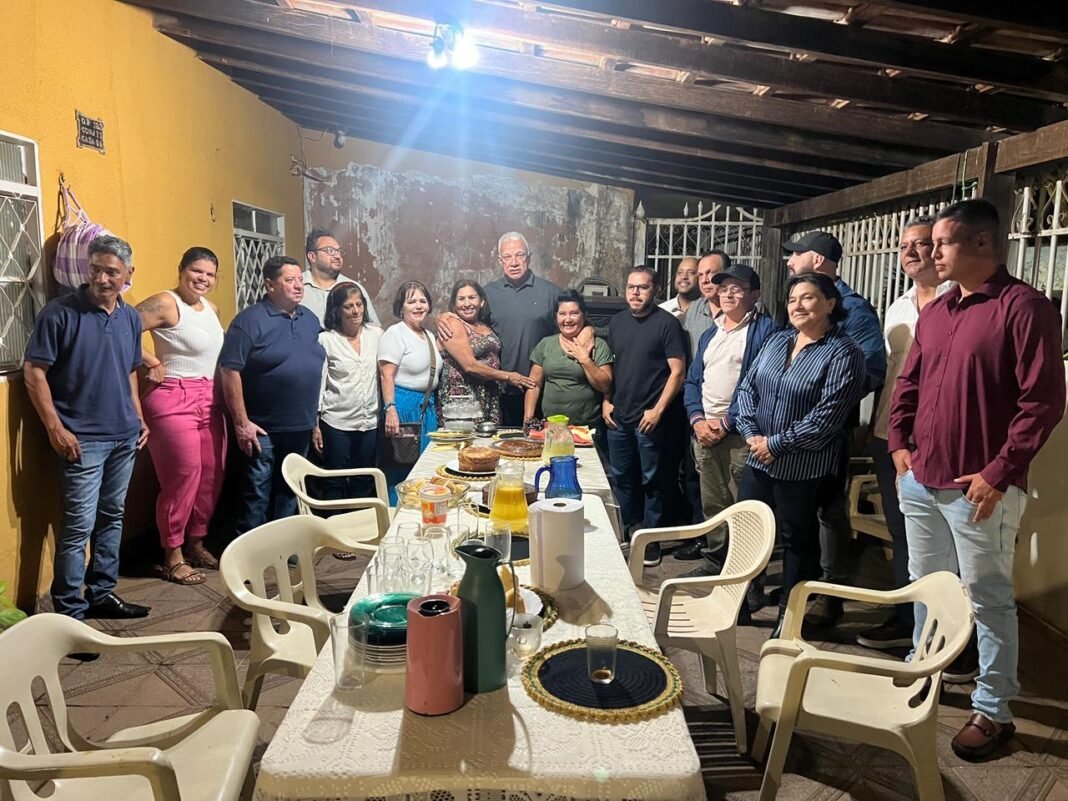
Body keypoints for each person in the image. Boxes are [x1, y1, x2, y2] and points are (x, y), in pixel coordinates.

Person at [889, 199, 1065, 761]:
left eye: (942, 243)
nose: (931, 252)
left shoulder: (1024, 308)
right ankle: (925, 667)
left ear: (983, 243)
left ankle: (993, 708)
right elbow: (909, 384)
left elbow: (1043, 402)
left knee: (988, 598)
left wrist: (998, 472)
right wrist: (899, 443)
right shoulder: (939, 310)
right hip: (921, 477)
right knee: (925, 584)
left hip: (979, 489)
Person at [23, 235, 151, 622]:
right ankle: (70, 612)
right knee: (78, 527)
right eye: (94, 269)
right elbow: (34, 372)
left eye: (111, 271)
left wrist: (138, 415)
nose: (101, 278)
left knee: (112, 517)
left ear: (128, 273)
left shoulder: (130, 318)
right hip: (82, 439)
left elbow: (129, 369)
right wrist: (55, 429)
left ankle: (102, 593)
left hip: (124, 436)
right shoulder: (60, 313)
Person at [734, 273, 866, 637]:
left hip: (802, 468)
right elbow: (746, 390)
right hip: (758, 458)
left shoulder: (844, 353)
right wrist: (752, 434)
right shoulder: (777, 341)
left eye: (808, 298)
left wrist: (775, 444)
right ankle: (738, 606)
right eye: (793, 299)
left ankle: (787, 621)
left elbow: (826, 419)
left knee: (797, 542)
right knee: (747, 533)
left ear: (830, 303)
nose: (798, 305)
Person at [856, 217, 952, 650]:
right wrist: (875, 423)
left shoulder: (957, 300)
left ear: (940, 247)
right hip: (889, 435)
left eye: (921, 243)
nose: (911, 252)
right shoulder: (898, 306)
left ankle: (947, 634)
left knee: (942, 542)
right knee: (900, 532)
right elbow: (891, 373)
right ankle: (906, 618)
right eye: (903, 246)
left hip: (935, 438)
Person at [783, 231, 886, 627]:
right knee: (797, 512)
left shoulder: (854, 310)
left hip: (827, 429)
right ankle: (801, 587)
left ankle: (830, 593)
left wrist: (823, 399)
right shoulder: (796, 302)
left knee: (828, 508)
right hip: (788, 429)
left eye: (797, 255)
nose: (790, 261)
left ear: (819, 260)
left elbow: (870, 369)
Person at [137, 247, 227, 585]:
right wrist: (150, 361)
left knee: (211, 476)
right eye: (196, 271)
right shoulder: (165, 302)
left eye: (209, 274)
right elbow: (120, 327)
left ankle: (196, 544)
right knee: (183, 477)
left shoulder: (211, 309)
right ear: (181, 270)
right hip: (173, 398)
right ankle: (172, 556)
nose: (202, 278)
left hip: (210, 398)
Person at [678, 264, 777, 570]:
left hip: (740, 435)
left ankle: (746, 574)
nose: (728, 294)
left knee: (745, 508)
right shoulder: (712, 332)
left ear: (755, 295)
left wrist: (726, 421)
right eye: (723, 289)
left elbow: (760, 385)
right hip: (704, 432)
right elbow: (693, 380)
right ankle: (715, 562)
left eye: (737, 289)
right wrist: (697, 419)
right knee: (714, 503)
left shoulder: (766, 332)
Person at [220, 255, 325, 534]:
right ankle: (250, 551)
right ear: (270, 285)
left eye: (300, 280)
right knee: (257, 493)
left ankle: (284, 545)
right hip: (261, 428)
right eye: (290, 280)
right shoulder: (248, 321)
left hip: (300, 425)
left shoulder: (309, 319)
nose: (298, 286)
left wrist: (314, 421)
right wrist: (241, 423)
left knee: (291, 490)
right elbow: (229, 371)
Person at [604, 266, 688, 567]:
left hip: (649, 418)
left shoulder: (667, 324)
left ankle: (650, 539)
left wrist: (658, 410)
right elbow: (610, 367)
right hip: (619, 416)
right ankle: (631, 529)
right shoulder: (617, 323)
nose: (635, 293)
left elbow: (678, 372)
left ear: (656, 290)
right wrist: (606, 400)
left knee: (653, 480)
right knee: (622, 478)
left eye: (643, 287)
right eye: (631, 287)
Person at [481, 232, 563, 425]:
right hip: (499, 391)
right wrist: (445, 317)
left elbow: (573, 326)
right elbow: (468, 325)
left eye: (519, 255)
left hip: (540, 390)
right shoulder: (487, 294)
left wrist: (588, 332)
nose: (514, 262)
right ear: (500, 260)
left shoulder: (551, 293)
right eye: (508, 256)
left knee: (537, 441)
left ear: (529, 257)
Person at [312, 282, 383, 502]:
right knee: (335, 480)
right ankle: (334, 523)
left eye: (359, 304)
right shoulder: (326, 340)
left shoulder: (376, 335)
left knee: (364, 479)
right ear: (337, 310)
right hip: (336, 422)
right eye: (348, 306)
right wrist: (315, 424)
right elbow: (319, 383)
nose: (355, 311)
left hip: (369, 421)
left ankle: (360, 522)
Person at [436, 279, 535, 425]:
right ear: (454, 304)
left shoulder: (483, 324)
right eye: (461, 299)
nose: (467, 303)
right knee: (465, 439)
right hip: (463, 399)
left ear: (481, 302)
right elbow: (470, 366)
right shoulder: (452, 323)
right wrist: (508, 376)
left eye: (472, 297)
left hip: (488, 395)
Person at [525, 289, 614, 449]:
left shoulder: (598, 346)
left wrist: (585, 359)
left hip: (587, 429)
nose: (567, 319)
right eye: (562, 314)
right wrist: (528, 419)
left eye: (574, 313)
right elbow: (534, 385)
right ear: (556, 317)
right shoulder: (546, 344)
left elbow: (605, 386)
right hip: (551, 428)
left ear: (584, 315)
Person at [379, 281, 439, 499]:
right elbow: (386, 375)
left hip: (425, 408)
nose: (418, 306)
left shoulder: (428, 335)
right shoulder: (396, 333)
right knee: (402, 468)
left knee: (425, 468)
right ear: (401, 307)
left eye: (423, 301)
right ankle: (396, 511)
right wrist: (390, 409)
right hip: (403, 408)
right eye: (412, 301)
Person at [301, 228, 379, 326]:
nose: (338, 256)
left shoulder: (353, 288)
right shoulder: (296, 286)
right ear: (312, 256)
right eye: (330, 251)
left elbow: (373, 327)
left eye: (339, 251)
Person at [682, 250, 730, 356]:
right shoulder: (694, 309)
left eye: (711, 273)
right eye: (700, 275)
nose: (704, 280)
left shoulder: (747, 309)